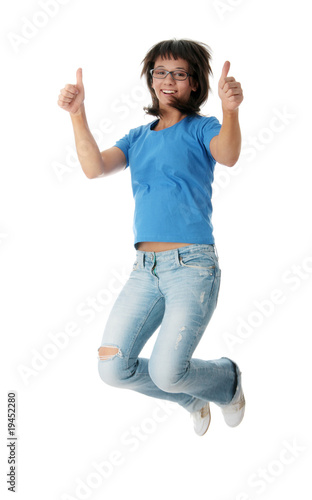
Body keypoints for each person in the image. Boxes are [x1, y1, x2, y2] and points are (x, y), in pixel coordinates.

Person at [57, 38, 245, 436]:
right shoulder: (138, 137)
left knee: (167, 370)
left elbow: (227, 154)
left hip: (192, 267)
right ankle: (189, 396)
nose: (168, 80)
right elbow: (94, 167)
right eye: (161, 72)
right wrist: (78, 114)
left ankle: (225, 380)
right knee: (112, 367)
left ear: (194, 84)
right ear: (150, 79)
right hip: (145, 270)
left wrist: (230, 111)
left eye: (180, 73)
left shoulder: (202, 128)